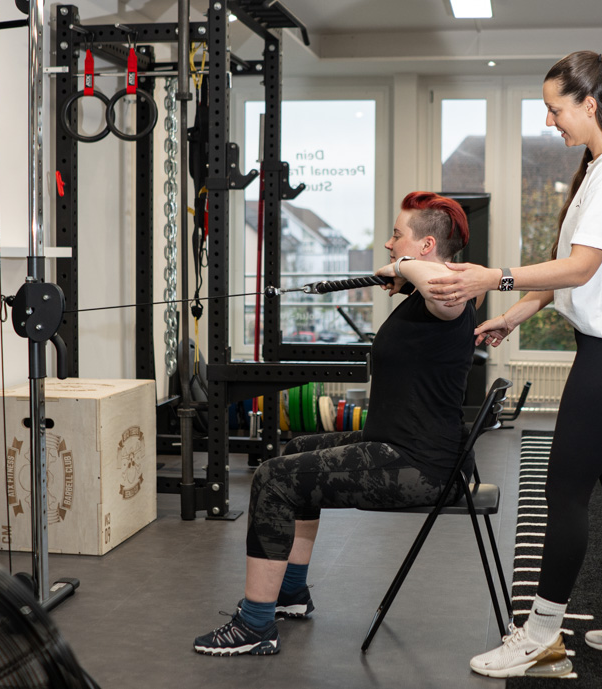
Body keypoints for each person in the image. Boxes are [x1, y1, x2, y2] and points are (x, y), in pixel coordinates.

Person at [426, 51, 602, 678]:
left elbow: (582, 268)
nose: (548, 120)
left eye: (554, 108)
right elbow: (570, 268)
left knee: (563, 489)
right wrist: (516, 313)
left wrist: (493, 277)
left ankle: (541, 637)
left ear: (590, 104)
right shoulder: (600, 168)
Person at [193, 191, 484, 656]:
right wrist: (405, 274)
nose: (389, 244)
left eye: (397, 235)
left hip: (420, 465)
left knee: (272, 478)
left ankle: (255, 625)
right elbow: (435, 281)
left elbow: (439, 285)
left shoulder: (449, 297)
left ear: (426, 245)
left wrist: (402, 267)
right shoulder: (429, 297)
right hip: (399, 443)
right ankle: (290, 593)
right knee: (294, 451)